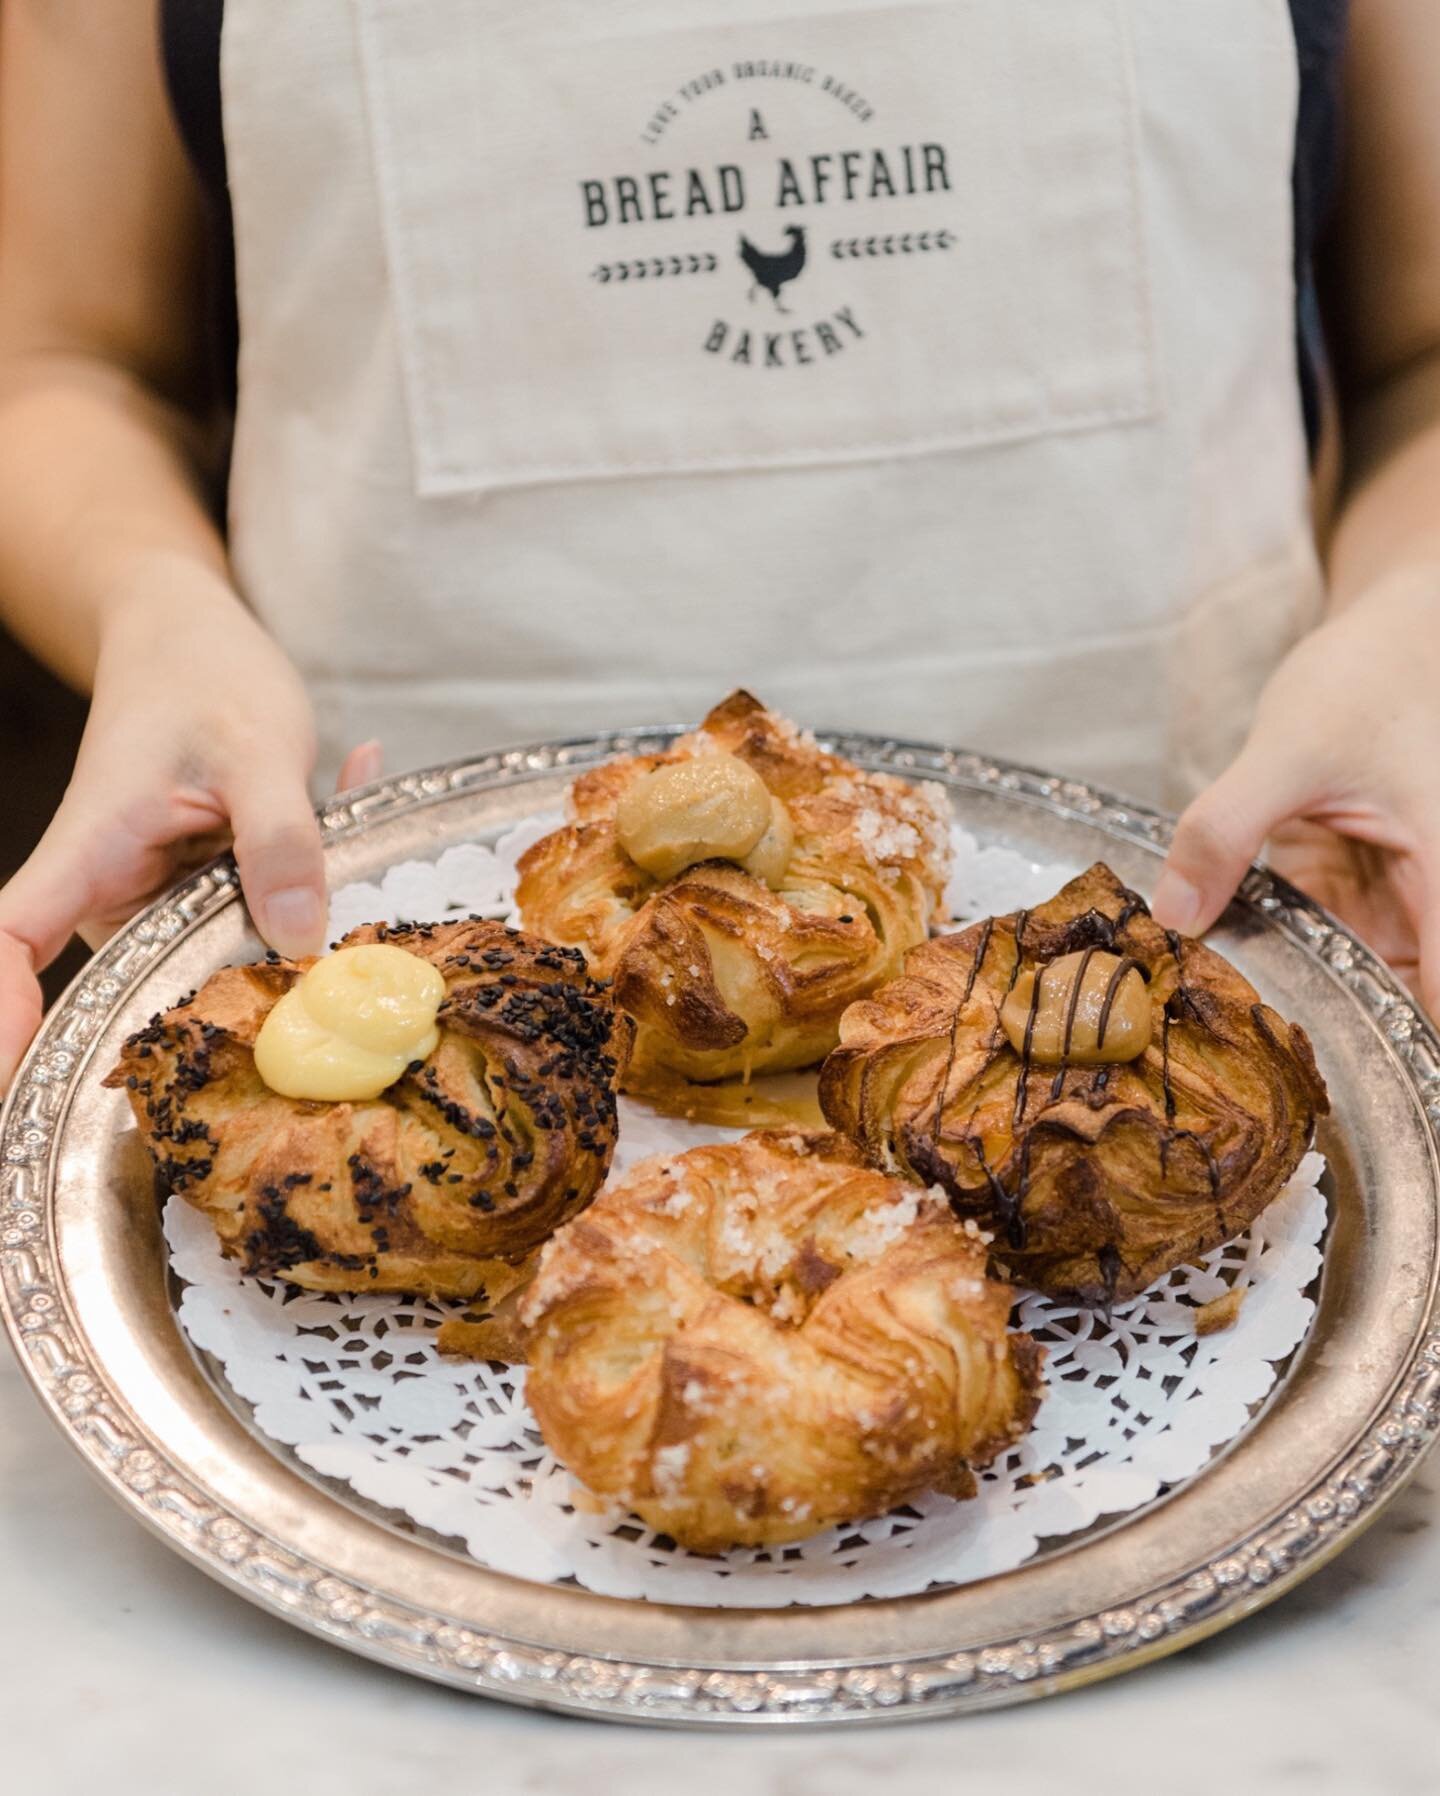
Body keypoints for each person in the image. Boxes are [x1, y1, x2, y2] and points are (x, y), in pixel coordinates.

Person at [0, 0, 1436, 1095]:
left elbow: (1422, 354)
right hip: (395, 961)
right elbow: (60, 362)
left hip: (1210, 949)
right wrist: (152, 611)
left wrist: (1407, 635)